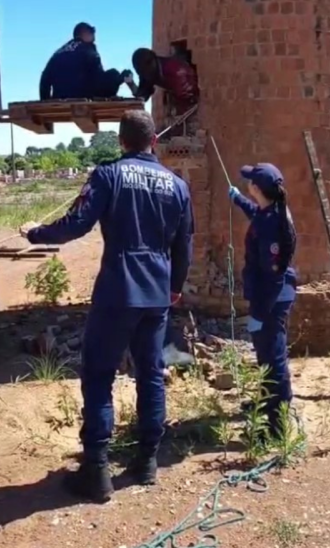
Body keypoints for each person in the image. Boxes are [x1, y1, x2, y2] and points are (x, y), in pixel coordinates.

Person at [20, 110, 193, 503]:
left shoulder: (109, 174)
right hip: (157, 293)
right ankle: (147, 462)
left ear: (121, 141)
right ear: (154, 142)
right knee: (150, 373)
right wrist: (175, 288)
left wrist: (36, 233)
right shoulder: (178, 186)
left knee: (99, 375)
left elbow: (78, 222)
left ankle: (96, 471)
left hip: (118, 288)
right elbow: (185, 245)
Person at [228, 163, 298, 437]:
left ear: (257, 188)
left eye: (248, 182)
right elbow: (257, 214)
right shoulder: (271, 212)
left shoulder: (271, 224)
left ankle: (277, 428)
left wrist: (259, 312)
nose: (246, 184)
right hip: (271, 297)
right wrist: (239, 201)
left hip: (271, 299)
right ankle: (270, 405)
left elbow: (274, 276)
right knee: (267, 357)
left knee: (273, 360)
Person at [39, 23, 133, 100]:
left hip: (59, 96)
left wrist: (45, 100)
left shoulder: (58, 52)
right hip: (83, 95)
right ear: (84, 33)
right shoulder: (88, 48)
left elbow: (45, 77)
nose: (94, 37)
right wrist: (118, 80)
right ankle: (123, 77)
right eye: (92, 33)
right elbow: (98, 76)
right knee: (113, 73)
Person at [129, 48, 200, 114]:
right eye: (139, 72)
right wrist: (130, 83)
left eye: (143, 71)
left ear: (152, 62)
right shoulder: (148, 72)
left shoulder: (176, 72)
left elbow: (189, 101)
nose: (142, 75)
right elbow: (142, 96)